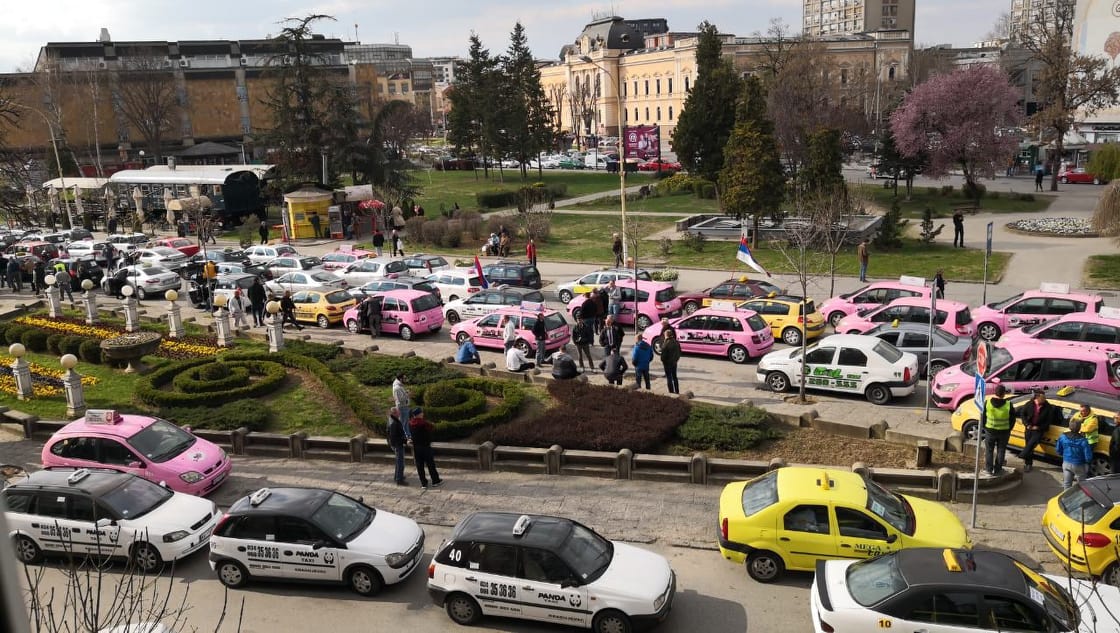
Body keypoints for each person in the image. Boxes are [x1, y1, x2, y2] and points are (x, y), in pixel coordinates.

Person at [1019, 388, 1059, 472]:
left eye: (1044, 398)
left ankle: (1023, 454)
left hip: (1039, 430)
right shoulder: (1029, 404)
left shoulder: (1048, 407)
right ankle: (1028, 464)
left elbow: (1048, 421)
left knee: (1031, 445)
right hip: (1029, 428)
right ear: (1037, 398)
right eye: (1042, 398)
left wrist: (1039, 427)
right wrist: (1027, 424)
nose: (1044, 399)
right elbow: (1023, 414)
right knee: (1029, 446)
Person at [984, 384, 1016, 475]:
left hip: (990, 431)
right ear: (1004, 394)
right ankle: (998, 470)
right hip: (1004, 432)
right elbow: (1012, 419)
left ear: (995, 392)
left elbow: (983, 417)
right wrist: (1009, 429)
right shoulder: (1008, 404)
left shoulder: (987, 402)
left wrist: (985, 427)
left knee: (989, 450)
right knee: (1001, 450)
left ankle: (989, 470)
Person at [408, 408, 442, 489]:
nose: (423, 414)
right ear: (419, 414)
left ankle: (423, 483)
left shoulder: (410, 423)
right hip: (425, 447)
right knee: (430, 464)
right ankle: (435, 481)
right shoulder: (424, 423)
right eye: (422, 412)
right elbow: (431, 428)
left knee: (420, 466)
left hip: (416, 447)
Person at [1056, 419, 1093, 489]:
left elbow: (1058, 450)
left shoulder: (1063, 437)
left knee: (1067, 484)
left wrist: (1063, 455)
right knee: (1082, 485)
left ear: (1069, 426)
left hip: (1066, 463)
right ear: (1079, 428)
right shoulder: (1083, 440)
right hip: (1079, 465)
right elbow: (1088, 456)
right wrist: (1087, 463)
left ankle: (1066, 496)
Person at [387, 407, 408, 485]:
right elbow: (394, 436)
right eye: (398, 412)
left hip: (396, 444)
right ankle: (399, 479)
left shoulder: (393, 420)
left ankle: (397, 476)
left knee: (398, 462)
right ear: (394, 413)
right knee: (400, 463)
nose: (399, 413)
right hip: (398, 445)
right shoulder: (393, 423)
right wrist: (404, 440)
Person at [392, 374, 412, 441]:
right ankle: (406, 437)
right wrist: (408, 395)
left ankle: (407, 437)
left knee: (405, 422)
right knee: (404, 423)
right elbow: (400, 399)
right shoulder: (397, 387)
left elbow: (401, 396)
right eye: (405, 378)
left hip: (403, 407)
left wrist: (406, 393)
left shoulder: (399, 386)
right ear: (400, 379)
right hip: (402, 407)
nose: (406, 380)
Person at [661, 328, 682, 394]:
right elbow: (679, 352)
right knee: (674, 377)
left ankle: (671, 391)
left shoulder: (666, 343)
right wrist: (676, 359)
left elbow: (663, 356)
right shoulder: (676, 342)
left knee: (669, 377)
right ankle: (677, 391)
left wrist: (663, 361)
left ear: (666, 335)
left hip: (667, 363)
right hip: (674, 362)